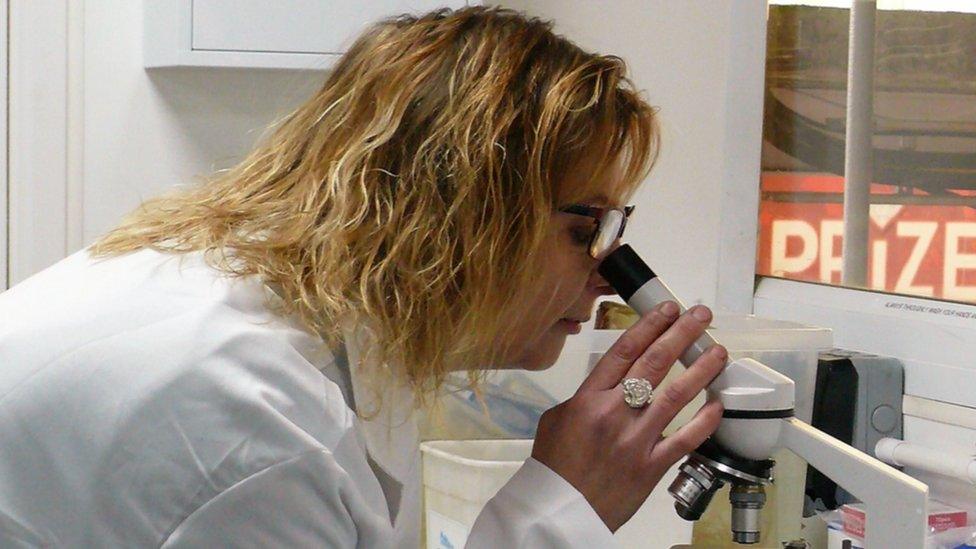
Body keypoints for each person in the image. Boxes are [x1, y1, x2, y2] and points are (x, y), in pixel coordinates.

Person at [0, 6, 726, 547]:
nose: (609, 280)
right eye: (584, 229)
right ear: (459, 213)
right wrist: (560, 505)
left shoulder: (263, 298)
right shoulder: (252, 421)